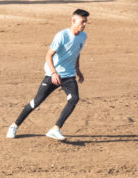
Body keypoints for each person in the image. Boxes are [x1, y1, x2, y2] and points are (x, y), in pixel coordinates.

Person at [7, 9, 89, 142]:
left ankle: (56, 129)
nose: (84, 24)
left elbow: (76, 52)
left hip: (68, 76)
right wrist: (54, 73)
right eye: (82, 21)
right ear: (74, 21)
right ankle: (14, 125)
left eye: (86, 22)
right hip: (53, 74)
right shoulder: (62, 36)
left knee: (74, 99)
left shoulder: (83, 36)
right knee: (36, 102)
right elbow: (48, 55)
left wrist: (78, 69)